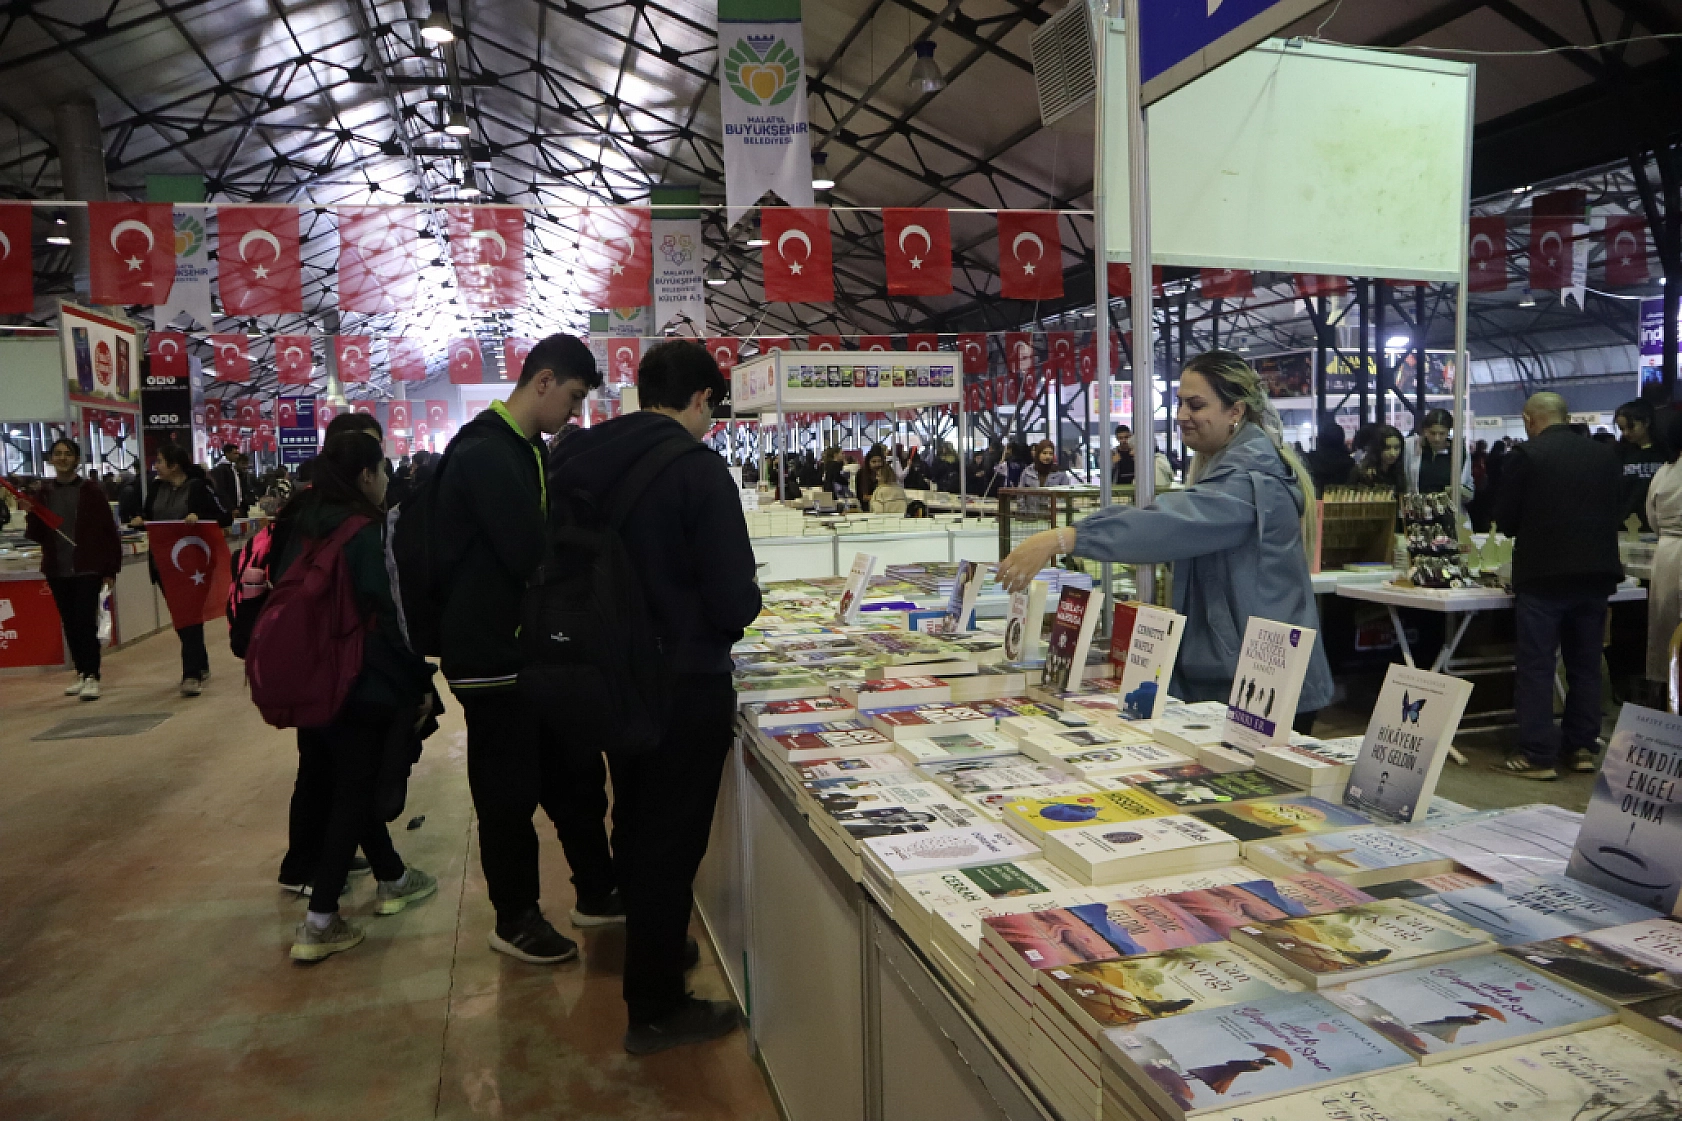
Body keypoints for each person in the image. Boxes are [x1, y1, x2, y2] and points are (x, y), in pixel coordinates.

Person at [550, 339, 762, 1054]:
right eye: (714, 409)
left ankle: (656, 945)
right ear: (701, 399)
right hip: (684, 682)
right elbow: (733, 598)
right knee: (672, 838)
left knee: (634, 817)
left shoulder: (584, 457)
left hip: (605, 673)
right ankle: (656, 1004)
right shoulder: (696, 473)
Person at [995, 349, 1332, 730]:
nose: (1181, 415)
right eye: (1180, 402)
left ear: (1235, 412)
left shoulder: (1249, 485)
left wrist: (1065, 538)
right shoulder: (1232, 471)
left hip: (1263, 687)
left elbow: (1168, 525)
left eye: (1196, 404)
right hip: (1242, 675)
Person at [435, 334, 601, 964]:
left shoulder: (523, 448)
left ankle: (586, 889)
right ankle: (515, 917)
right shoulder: (485, 453)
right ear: (543, 381)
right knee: (506, 794)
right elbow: (528, 552)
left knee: (558, 773)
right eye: (574, 397)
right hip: (488, 657)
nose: (575, 412)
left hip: (520, 653)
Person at [270, 431, 441, 962]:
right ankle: (320, 921)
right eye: (382, 473)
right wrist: (418, 681)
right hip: (361, 678)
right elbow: (391, 615)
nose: (387, 483)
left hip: (307, 673)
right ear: (367, 475)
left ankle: (391, 875)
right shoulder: (363, 532)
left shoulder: (296, 519)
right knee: (356, 789)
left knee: (346, 783)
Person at [1493, 392, 1623, 779]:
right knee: (1586, 665)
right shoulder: (1604, 455)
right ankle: (1582, 747)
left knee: (1537, 664)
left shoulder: (1526, 456)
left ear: (1530, 419)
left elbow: (1507, 519)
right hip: (1597, 572)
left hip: (1544, 575)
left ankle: (1537, 754)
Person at [24, 438, 121, 700]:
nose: (63, 458)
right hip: (58, 568)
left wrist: (111, 569)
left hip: (87, 567)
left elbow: (107, 532)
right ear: (51, 459)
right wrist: (30, 513)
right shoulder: (43, 493)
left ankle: (92, 674)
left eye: (68, 454)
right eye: (58, 453)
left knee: (84, 621)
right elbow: (36, 534)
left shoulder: (91, 491)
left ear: (77, 459)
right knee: (69, 622)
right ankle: (81, 672)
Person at [130, 442, 229, 696]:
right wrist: (141, 520)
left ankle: (191, 673)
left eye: (160, 461)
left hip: (193, 565)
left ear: (174, 465)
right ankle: (200, 662)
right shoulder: (156, 489)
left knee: (189, 617)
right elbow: (148, 515)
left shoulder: (198, 488)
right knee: (182, 618)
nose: (157, 467)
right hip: (165, 564)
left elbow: (224, 515)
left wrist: (199, 516)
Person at [1643, 410, 1682, 705]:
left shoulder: (1664, 471)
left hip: (1667, 552)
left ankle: (1664, 699)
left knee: (1665, 628)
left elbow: (1652, 518)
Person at [1615, 399, 1666, 532]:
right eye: (1621, 428)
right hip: (1625, 524)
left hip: (1660, 524)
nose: (1626, 433)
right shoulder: (1619, 453)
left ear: (1647, 422)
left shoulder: (1665, 453)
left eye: (1631, 427)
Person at [1403, 408, 1472, 501]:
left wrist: (1462, 492)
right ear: (1425, 430)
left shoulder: (1459, 452)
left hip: (1448, 511)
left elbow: (1469, 486)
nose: (1437, 438)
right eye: (1432, 433)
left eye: (1442, 433)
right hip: (1417, 510)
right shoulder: (1410, 446)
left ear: (1449, 431)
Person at [1348, 423, 1406, 496]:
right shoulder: (1361, 472)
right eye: (1387, 448)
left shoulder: (1398, 471)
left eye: (1397, 448)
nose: (1393, 453)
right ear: (1378, 448)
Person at [1303, 420, 1354, 497]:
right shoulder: (1350, 463)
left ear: (1320, 439)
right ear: (1341, 439)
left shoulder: (1309, 460)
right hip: (1341, 503)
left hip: (1315, 503)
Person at [210, 444, 251, 518]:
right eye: (235, 453)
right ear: (227, 454)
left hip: (237, 507)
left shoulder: (232, 468)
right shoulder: (220, 469)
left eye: (238, 453)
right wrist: (230, 508)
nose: (237, 456)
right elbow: (221, 490)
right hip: (227, 510)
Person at [855, 444, 891, 510]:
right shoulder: (862, 474)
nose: (877, 464)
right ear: (868, 462)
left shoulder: (886, 472)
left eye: (879, 461)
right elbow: (864, 497)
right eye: (874, 462)